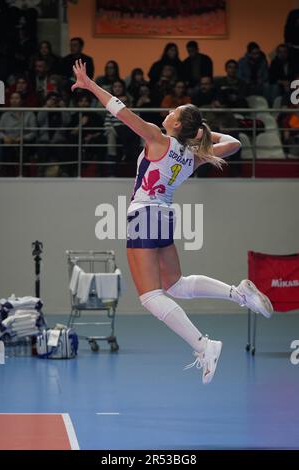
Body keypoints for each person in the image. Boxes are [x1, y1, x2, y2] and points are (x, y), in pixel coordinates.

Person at [71, 60, 273, 384]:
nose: (169, 111)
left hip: (144, 214)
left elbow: (120, 111)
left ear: (177, 125)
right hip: (164, 215)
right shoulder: (190, 155)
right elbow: (234, 144)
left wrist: (89, 84)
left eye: (175, 111)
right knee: (175, 285)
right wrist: (203, 133)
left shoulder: (157, 138)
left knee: (150, 297)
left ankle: (204, 345)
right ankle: (238, 293)